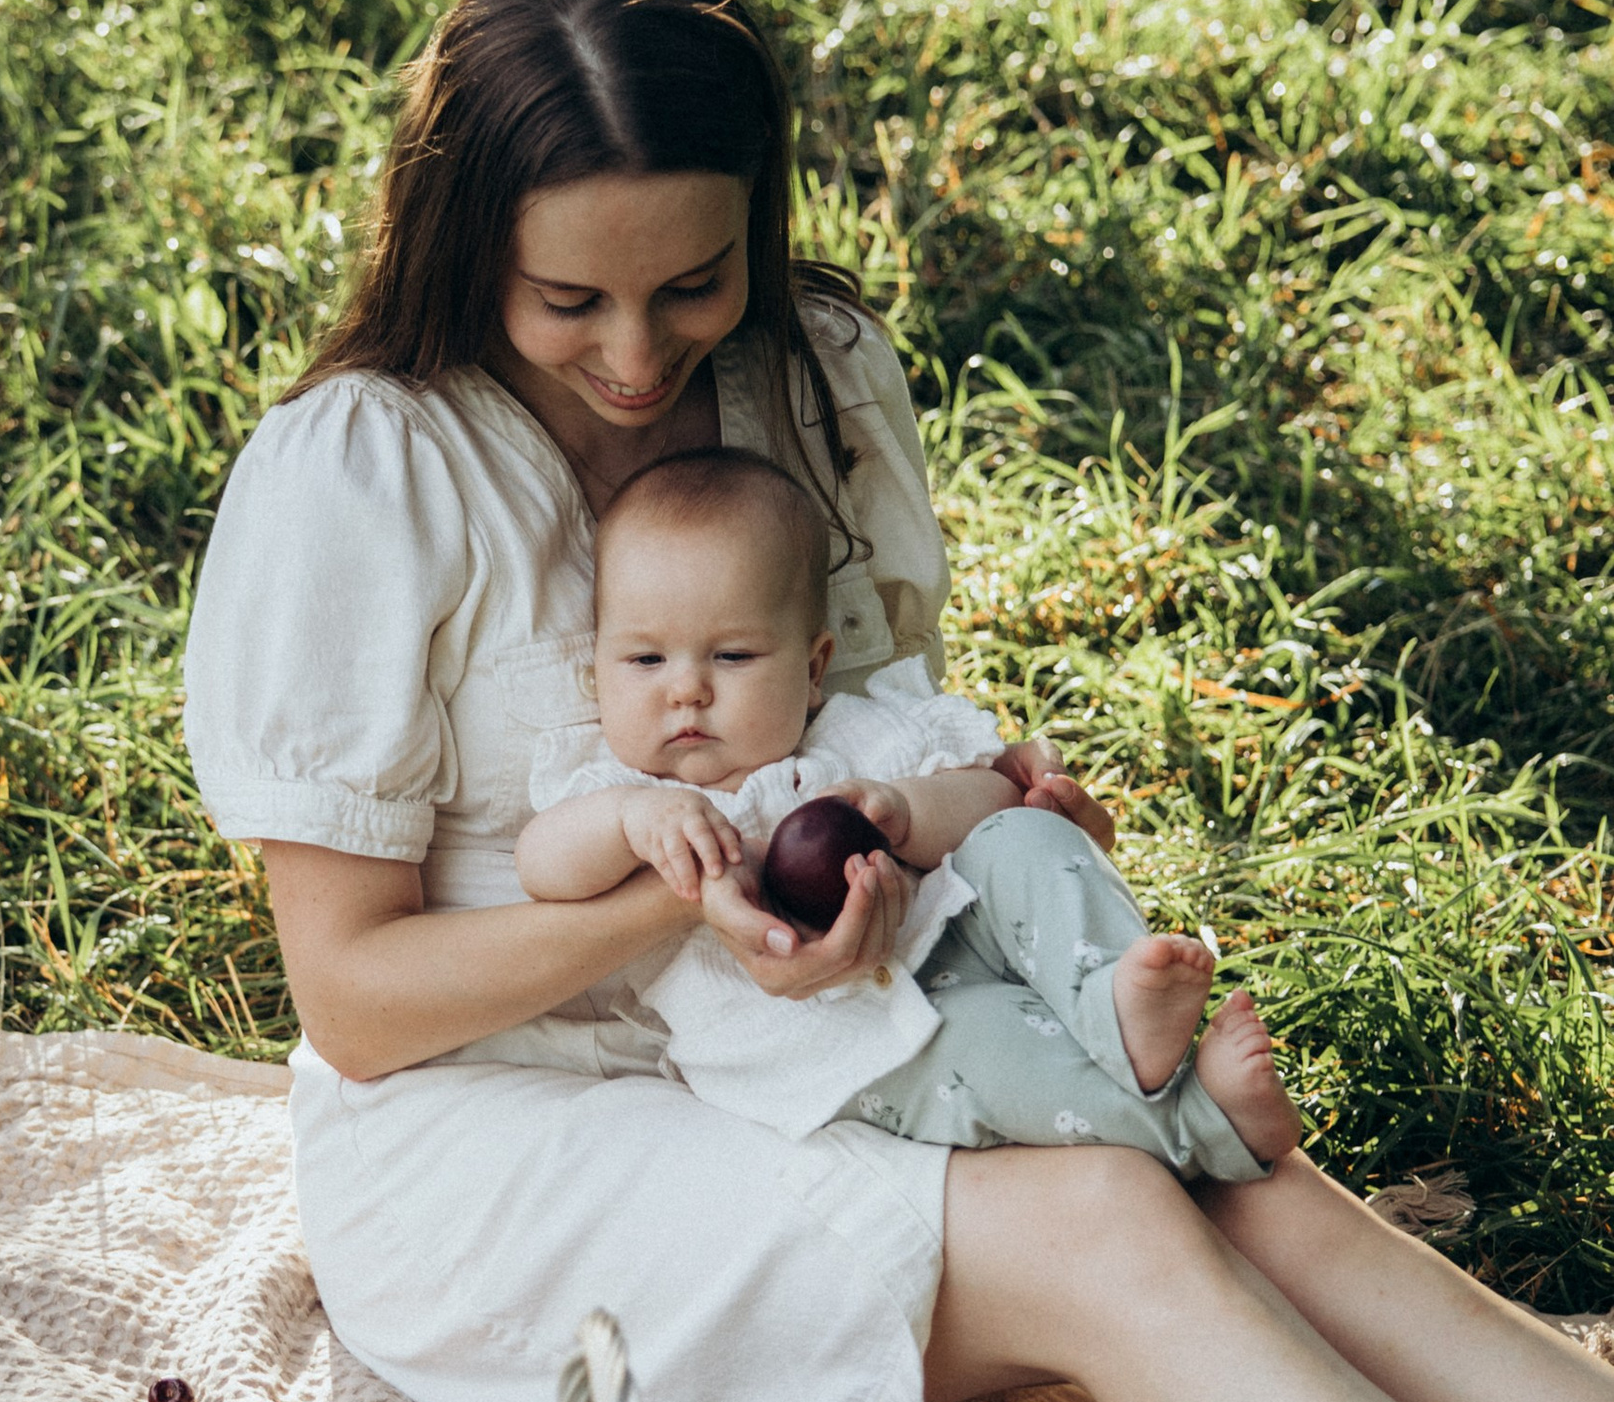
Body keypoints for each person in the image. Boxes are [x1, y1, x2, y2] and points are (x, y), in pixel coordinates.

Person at [182, 0, 1614, 1402]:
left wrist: (913, 852)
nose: (636, 360)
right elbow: (362, 1003)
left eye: (691, 287)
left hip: (813, 1044)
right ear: (468, 247)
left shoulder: (816, 372)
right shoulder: (366, 472)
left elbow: (850, 731)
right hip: (497, 1130)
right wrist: (678, 909)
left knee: (1250, 1189)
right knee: (1111, 1217)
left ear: (756, 232)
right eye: (568, 305)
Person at [512, 442, 1295, 1179]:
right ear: (598, 671)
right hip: (837, 1046)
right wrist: (629, 822)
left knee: (1022, 831)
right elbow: (542, 865)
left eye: (734, 656)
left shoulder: (858, 733)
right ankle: (1206, 1125)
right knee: (992, 1059)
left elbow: (991, 796)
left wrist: (903, 808)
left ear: (814, 668)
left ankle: (1112, 999)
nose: (687, 689)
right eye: (645, 659)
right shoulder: (613, 787)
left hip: (962, 932)